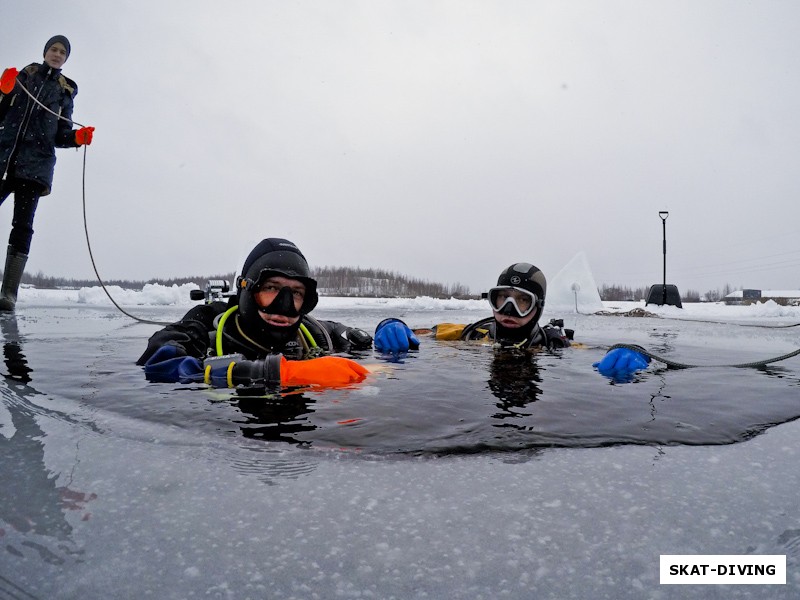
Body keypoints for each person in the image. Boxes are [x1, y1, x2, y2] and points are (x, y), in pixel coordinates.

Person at [137, 238, 374, 388]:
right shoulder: (207, 326)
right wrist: (280, 372)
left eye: (297, 293)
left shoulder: (313, 332)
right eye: (271, 288)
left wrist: (389, 328)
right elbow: (159, 363)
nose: (285, 306)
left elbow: (354, 337)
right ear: (247, 290)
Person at [0, 35, 95, 311]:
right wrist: (3, 92)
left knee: (22, 226)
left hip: (36, 167)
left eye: (62, 52)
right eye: (53, 49)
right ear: (45, 52)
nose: (57, 54)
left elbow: (61, 134)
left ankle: (9, 293)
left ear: (66, 59)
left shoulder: (65, 93)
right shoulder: (22, 77)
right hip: (4, 159)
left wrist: (78, 137)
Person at [373, 262, 573, 352]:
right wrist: (390, 323)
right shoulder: (472, 333)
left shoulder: (553, 345)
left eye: (522, 301)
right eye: (503, 298)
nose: (509, 310)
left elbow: (596, 353)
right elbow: (417, 334)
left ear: (538, 307)